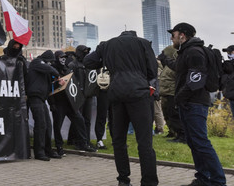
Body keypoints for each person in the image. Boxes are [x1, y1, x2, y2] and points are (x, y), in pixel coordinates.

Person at [84, 30, 158, 186]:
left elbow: (88, 62)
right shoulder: (143, 43)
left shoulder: (107, 44)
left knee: (118, 141)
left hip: (117, 94)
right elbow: (152, 70)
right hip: (139, 94)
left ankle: (123, 180)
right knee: (145, 142)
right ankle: (149, 182)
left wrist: (105, 62)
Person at [168, 23, 226, 186]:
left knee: (201, 141)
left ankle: (217, 180)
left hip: (194, 103)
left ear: (182, 35)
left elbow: (197, 79)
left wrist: (179, 97)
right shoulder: (186, 51)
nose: (171, 37)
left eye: (173, 34)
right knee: (194, 142)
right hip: (189, 103)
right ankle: (203, 177)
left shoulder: (194, 52)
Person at [25, 49, 61, 161]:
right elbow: (50, 69)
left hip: (41, 98)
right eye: (50, 61)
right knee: (40, 124)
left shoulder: (43, 69)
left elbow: (50, 86)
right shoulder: (37, 62)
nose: (51, 64)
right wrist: (57, 74)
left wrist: (58, 83)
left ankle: (47, 149)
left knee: (47, 125)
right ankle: (39, 152)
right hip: (35, 97)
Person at [157, 45, 186, 143]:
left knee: (174, 115)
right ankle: (172, 131)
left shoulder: (175, 65)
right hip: (166, 93)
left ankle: (181, 135)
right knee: (168, 114)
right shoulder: (167, 66)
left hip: (172, 93)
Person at [222, 45, 234, 117]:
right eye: (228, 52)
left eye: (230, 52)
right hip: (231, 97)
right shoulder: (229, 65)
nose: (229, 54)